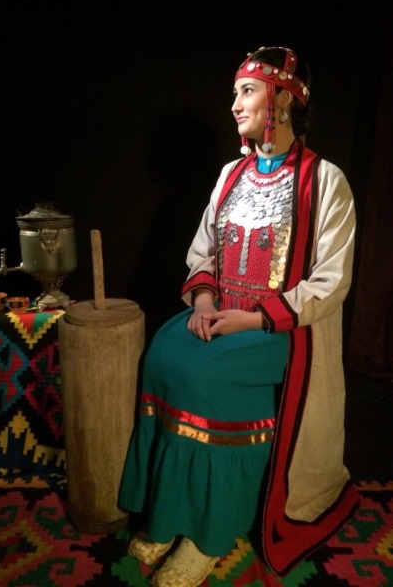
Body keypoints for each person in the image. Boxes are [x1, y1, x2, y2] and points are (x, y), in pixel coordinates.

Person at [118, 46, 359, 586]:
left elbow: (330, 282)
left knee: (204, 374)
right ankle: (168, 512)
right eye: (235, 92)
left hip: (282, 329)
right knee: (163, 354)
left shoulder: (326, 182)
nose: (234, 104)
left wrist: (251, 321)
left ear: (282, 100)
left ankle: (208, 533)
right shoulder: (231, 174)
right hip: (221, 315)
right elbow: (203, 251)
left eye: (246, 91)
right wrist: (204, 302)